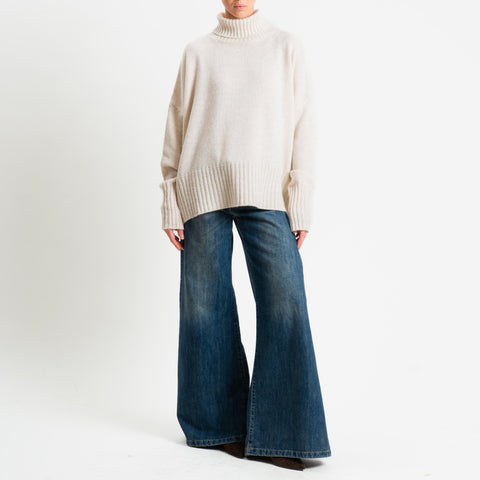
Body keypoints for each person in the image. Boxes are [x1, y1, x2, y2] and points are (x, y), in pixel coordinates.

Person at [159, 0, 331, 471]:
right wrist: (171, 197)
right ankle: (217, 427)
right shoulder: (198, 52)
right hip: (200, 189)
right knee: (203, 307)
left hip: (267, 191)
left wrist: (300, 198)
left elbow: (304, 125)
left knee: (285, 301)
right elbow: (176, 125)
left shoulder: (285, 47)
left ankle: (284, 433)